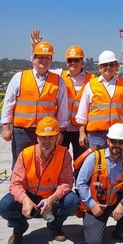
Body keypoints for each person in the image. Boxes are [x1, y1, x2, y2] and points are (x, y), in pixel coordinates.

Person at [0, 117, 79, 244]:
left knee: (72, 201)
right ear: (37, 137)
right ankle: (19, 227)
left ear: (57, 137)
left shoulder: (64, 154)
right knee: (4, 206)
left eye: (51, 137)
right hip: (29, 195)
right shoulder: (26, 154)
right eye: (43, 137)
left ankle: (55, 225)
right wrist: (25, 200)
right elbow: (15, 183)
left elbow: (67, 182)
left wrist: (51, 200)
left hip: (51, 196)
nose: (47, 141)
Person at [76, 123, 123, 244]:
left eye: (120, 142)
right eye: (114, 141)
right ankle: (91, 224)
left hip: (115, 200)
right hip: (96, 204)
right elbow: (80, 183)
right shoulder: (94, 157)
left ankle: (120, 230)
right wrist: (92, 205)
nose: (117, 145)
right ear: (108, 140)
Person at [0, 40, 69, 168]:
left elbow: (63, 108)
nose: (44, 60)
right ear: (33, 59)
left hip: (47, 133)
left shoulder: (58, 81)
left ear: (51, 60)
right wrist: (5, 127)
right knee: (21, 164)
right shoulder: (19, 77)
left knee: (45, 164)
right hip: (23, 131)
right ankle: (17, 188)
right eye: (40, 57)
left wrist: (61, 131)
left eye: (47, 57)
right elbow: (9, 103)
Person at [30, 30, 94, 161]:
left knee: (81, 162)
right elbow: (40, 67)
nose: (73, 63)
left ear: (82, 62)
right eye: (70, 60)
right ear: (66, 62)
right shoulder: (59, 75)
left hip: (81, 130)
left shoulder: (92, 79)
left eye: (76, 60)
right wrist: (35, 48)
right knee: (57, 161)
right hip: (61, 129)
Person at [75, 50, 123, 151]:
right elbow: (82, 112)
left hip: (117, 135)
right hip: (95, 136)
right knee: (96, 164)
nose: (108, 67)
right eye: (105, 65)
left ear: (116, 66)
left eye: (111, 64)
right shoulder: (91, 84)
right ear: (100, 67)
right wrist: (82, 133)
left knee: (114, 165)